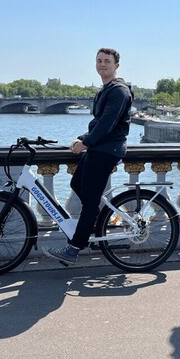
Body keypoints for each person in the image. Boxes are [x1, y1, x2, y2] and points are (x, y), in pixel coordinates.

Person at [44, 48, 134, 265]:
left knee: (90, 201)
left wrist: (86, 142)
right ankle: (95, 223)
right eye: (99, 61)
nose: (102, 64)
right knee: (77, 184)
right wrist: (83, 137)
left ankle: (73, 249)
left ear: (116, 65)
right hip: (99, 148)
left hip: (106, 151)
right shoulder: (105, 89)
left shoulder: (119, 91)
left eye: (107, 61)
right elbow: (98, 124)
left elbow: (107, 124)